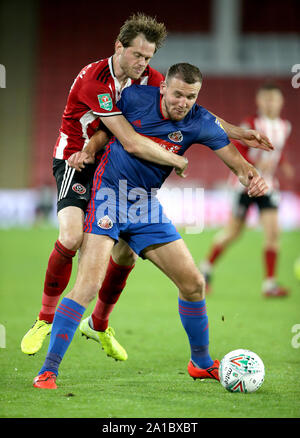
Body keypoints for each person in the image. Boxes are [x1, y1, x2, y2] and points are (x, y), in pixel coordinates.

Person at [21, 13, 273, 359]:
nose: (144, 65)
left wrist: (238, 131)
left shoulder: (150, 79)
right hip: (76, 158)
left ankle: (99, 325)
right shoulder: (94, 81)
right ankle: (44, 318)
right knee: (70, 237)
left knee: (125, 253)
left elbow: (192, 107)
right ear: (118, 48)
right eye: (138, 56)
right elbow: (129, 139)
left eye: (149, 58)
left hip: (115, 169)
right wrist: (176, 160)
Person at [200, 81, 294, 297]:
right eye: (267, 99)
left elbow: (277, 151)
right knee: (233, 232)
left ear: (281, 102)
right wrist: (254, 167)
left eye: (274, 99)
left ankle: (269, 284)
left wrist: (284, 166)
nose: (271, 103)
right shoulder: (251, 123)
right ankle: (205, 269)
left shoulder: (284, 126)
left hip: (268, 187)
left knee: (273, 232)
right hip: (245, 186)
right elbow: (236, 151)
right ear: (259, 101)